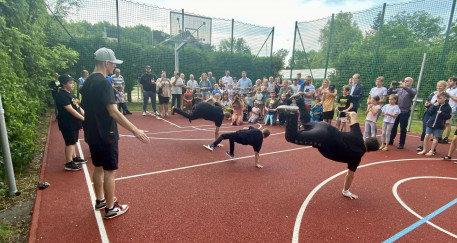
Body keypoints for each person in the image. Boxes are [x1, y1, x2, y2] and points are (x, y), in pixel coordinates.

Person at [80, 47, 149, 219]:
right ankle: (110, 208)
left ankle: (100, 200)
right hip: (106, 132)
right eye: (113, 63)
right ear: (106, 63)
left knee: (98, 167)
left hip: (91, 132)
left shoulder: (87, 81)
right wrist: (135, 130)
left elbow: (84, 105)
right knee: (110, 170)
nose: (114, 67)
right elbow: (113, 111)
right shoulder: (104, 83)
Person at [277, 95, 379, 199]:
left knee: (306, 122)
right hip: (322, 138)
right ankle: (292, 114)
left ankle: (299, 100)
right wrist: (346, 191)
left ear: (366, 139)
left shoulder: (358, 135)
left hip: (324, 126)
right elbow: (350, 175)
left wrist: (349, 113)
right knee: (291, 137)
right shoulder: (357, 158)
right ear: (370, 151)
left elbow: (353, 115)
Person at [54, 74, 86, 171]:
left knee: (73, 140)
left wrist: (86, 115)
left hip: (74, 123)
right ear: (64, 84)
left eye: (73, 83)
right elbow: (70, 110)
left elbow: (78, 107)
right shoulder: (61, 95)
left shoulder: (71, 94)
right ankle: (68, 163)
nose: (73, 85)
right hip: (67, 123)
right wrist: (84, 119)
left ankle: (74, 157)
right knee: (70, 142)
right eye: (70, 83)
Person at [203, 127, 270, 168]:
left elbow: (245, 128)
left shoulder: (257, 130)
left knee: (223, 136)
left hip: (239, 135)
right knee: (231, 138)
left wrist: (245, 131)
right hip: (243, 141)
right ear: (266, 136)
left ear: (262, 130)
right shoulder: (259, 141)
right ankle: (231, 154)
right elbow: (256, 153)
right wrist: (257, 164)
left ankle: (212, 146)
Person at [418, 91, 451, 156]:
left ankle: (432, 150)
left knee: (435, 137)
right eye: (438, 98)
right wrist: (433, 106)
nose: (438, 100)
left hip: (439, 124)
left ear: (445, 98)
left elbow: (448, 116)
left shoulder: (448, 107)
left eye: (440, 98)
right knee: (427, 136)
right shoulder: (435, 105)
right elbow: (429, 112)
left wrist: (442, 113)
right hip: (430, 123)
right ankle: (424, 149)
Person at [417, 80, 447, 151]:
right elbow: (429, 102)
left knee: (435, 131)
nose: (438, 87)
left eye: (440, 86)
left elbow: (441, 105)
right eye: (438, 86)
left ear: (445, 87)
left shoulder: (445, 96)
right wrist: (427, 104)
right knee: (425, 129)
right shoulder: (433, 93)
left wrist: (433, 105)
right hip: (429, 112)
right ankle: (421, 145)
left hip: (437, 115)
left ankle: (433, 148)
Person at [388, 77, 417, 149]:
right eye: (404, 81)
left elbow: (413, 93)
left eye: (407, 81)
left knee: (403, 128)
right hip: (397, 111)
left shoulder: (413, 89)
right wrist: (391, 87)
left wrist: (404, 87)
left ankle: (401, 143)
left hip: (405, 111)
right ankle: (390, 140)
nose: (405, 82)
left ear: (411, 82)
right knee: (394, 126)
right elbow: (390, 93)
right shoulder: (399, 89)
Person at [441, 77, 457, 144]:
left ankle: (446, 138)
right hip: (444, 108)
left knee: (447, 123)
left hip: (451, 108)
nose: (448, 82)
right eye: (448, 81)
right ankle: (439, 136)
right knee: (442, 122)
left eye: (450, 81)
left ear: (455, 82)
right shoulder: (447, 89)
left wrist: (449, 95)